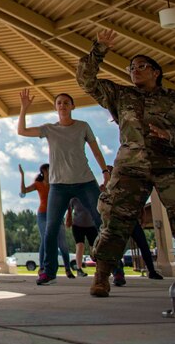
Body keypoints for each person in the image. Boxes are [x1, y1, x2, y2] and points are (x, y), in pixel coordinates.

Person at [78, 30, 175, 298]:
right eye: (131, 68)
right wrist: (99, 49)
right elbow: (86, 80)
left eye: (141, 66)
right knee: (115, 218)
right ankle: (102, 275)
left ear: (156, 72)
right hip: (130, 167)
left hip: (171, 166)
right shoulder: (121, 95)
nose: (135, 71)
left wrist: (171, 136)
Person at [18, 89, 109, 285]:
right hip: (59, 186)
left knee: (102, 222)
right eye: (59, 102)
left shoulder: (83, 126)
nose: (62, 105)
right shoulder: (50, 129)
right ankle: (48, 272)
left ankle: (113, 268)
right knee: (51, 229)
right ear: (55, 107)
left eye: (66, 102)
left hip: (85, 181)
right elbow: (22, 131)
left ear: (73, 106)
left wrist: (105, 171)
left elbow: (96, 150)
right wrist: (24, 108)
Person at [18, 163, 73, 278]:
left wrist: (69, 214)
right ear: (43, 171)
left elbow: (66, 198)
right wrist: (22, 175)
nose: (49, 171)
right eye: (47, 170)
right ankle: (43, 267)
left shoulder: (56, 183)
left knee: (62, 243)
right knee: (45, 238)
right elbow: (24, 191)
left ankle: (68, 269)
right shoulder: (38, 184)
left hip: (56, 214)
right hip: (43, 214)